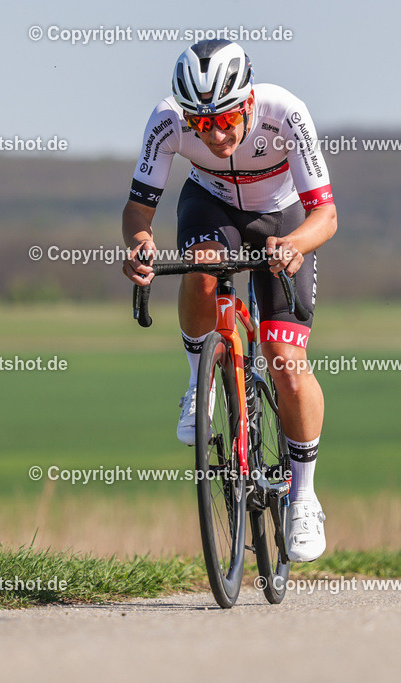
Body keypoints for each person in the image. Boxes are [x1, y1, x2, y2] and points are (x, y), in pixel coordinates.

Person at [121, 40, 337, 562]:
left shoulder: (286, 112)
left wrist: (293, 245)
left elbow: (325, 217)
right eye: (201, 124)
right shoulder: (165, 121)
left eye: (227, 120)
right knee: (201, 270)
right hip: (211, 204)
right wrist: (139, 247)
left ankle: (303, 496)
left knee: (287, 364)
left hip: (283, 216)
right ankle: (199, 384)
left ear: (248, 101)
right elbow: (138, 210)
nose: (215, 135)